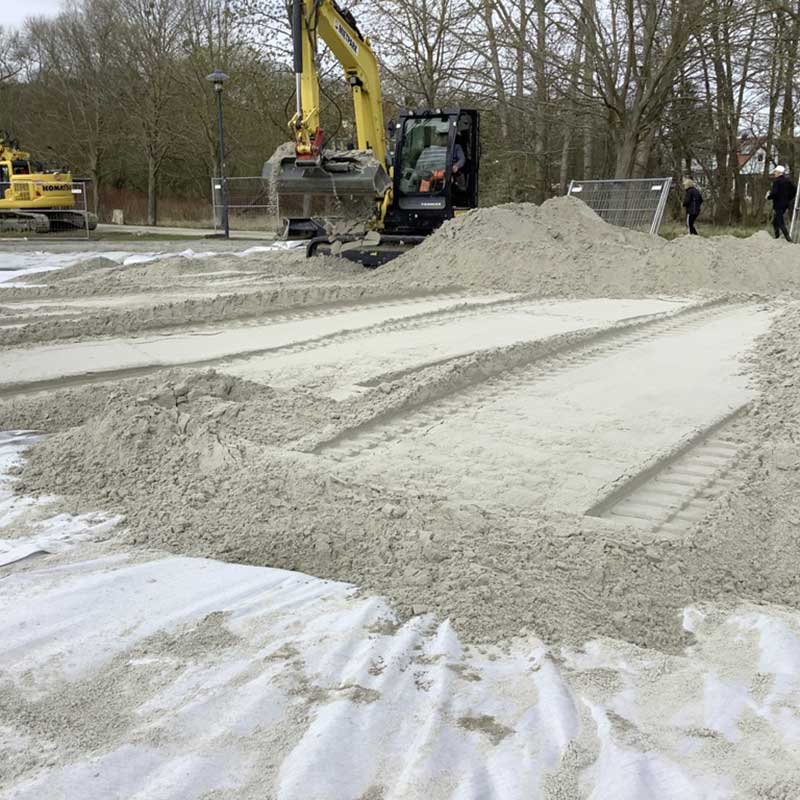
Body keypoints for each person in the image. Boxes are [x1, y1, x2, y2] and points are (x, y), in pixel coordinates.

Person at [766, 165, 797, 242]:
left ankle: (788, 239)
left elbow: (775, 193)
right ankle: (777, 238)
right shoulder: (788, 181)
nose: (774, 173)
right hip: (785, 204)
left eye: (775, 172)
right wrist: (788, 199)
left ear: (779, 172)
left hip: (778, 205)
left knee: (780, 222)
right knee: (775, 222)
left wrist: (768, 197)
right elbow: (794, 191)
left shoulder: (776, 182)